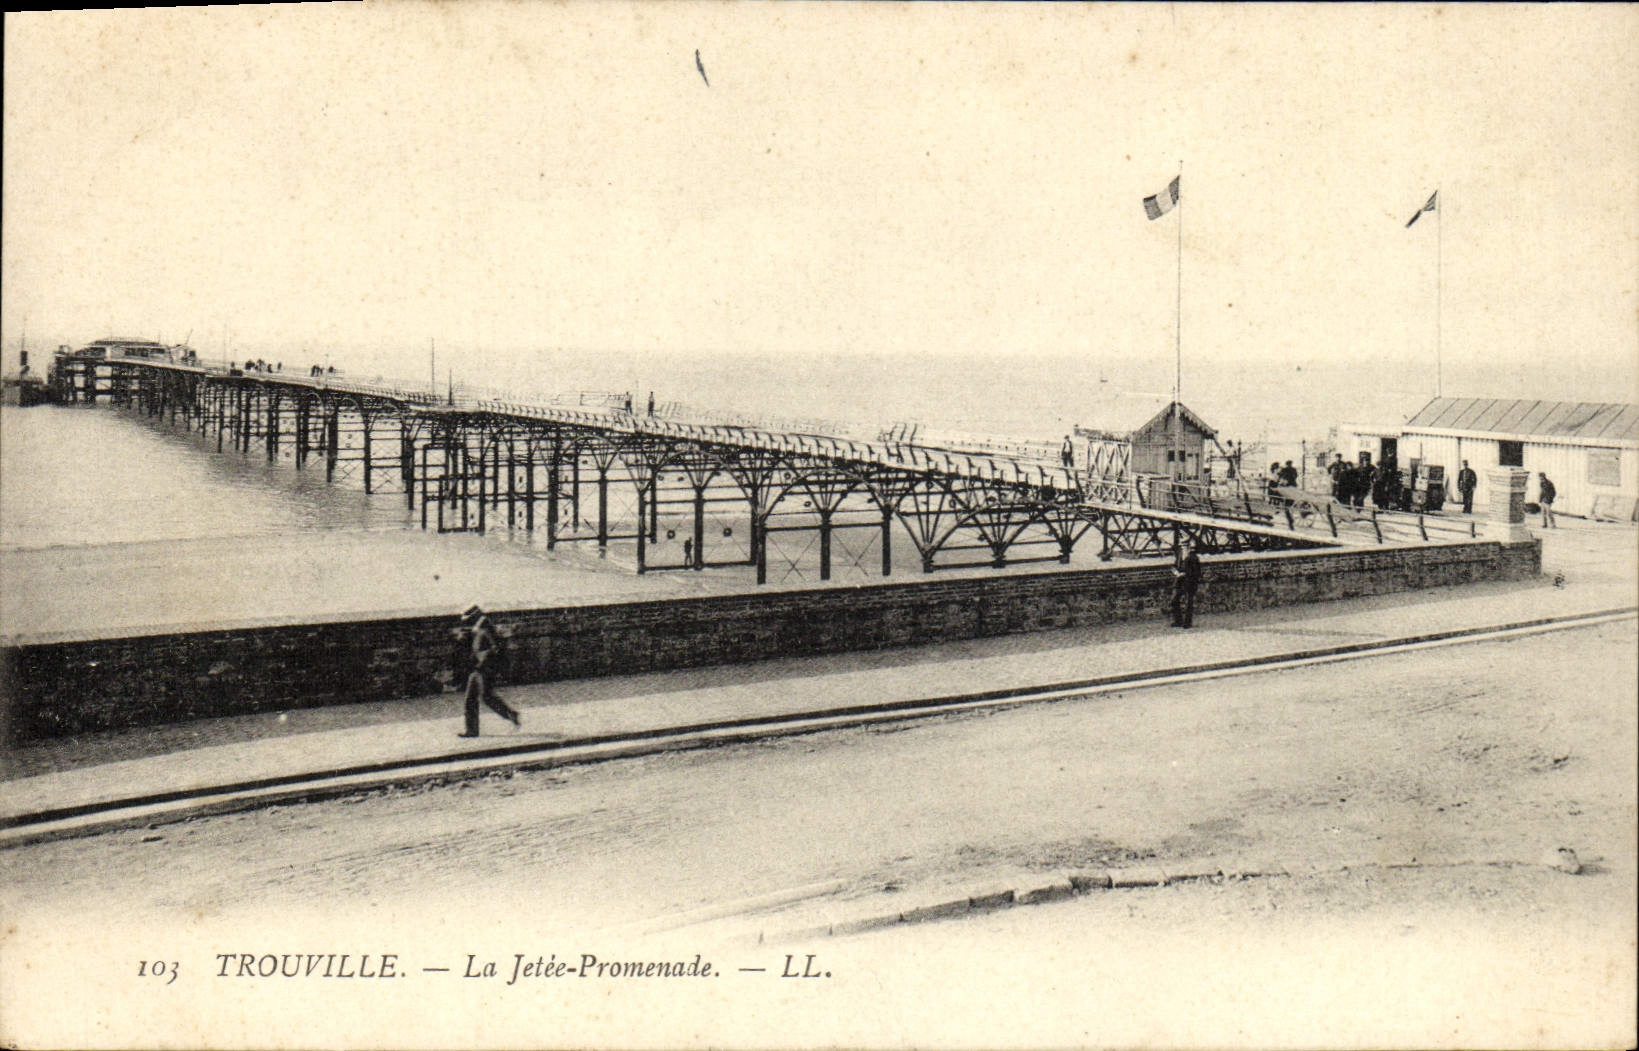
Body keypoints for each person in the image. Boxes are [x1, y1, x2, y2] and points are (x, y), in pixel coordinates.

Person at [455, 605, 522, 737]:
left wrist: (484, 661)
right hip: (479, 668)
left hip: (485, 668)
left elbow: (495, 648)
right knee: (473, 698)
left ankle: (510, 715)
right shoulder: (480, 627)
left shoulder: (486, 627)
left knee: (484, 697)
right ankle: (472, 730)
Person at [1171, 540, 1202, 629]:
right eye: (1182, 547)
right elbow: (1174, 566)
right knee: (1174, 600)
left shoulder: (1194, 558)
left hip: (1189, 583)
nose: (1183, 548)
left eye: (1185, 547)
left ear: (1189, 548)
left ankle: (1187, 622)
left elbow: (1197, 572)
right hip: (1179, 582)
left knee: (1188, 603)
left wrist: (1184, 574)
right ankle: (1178, 621)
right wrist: (1175, 571)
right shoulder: (1179, 555)